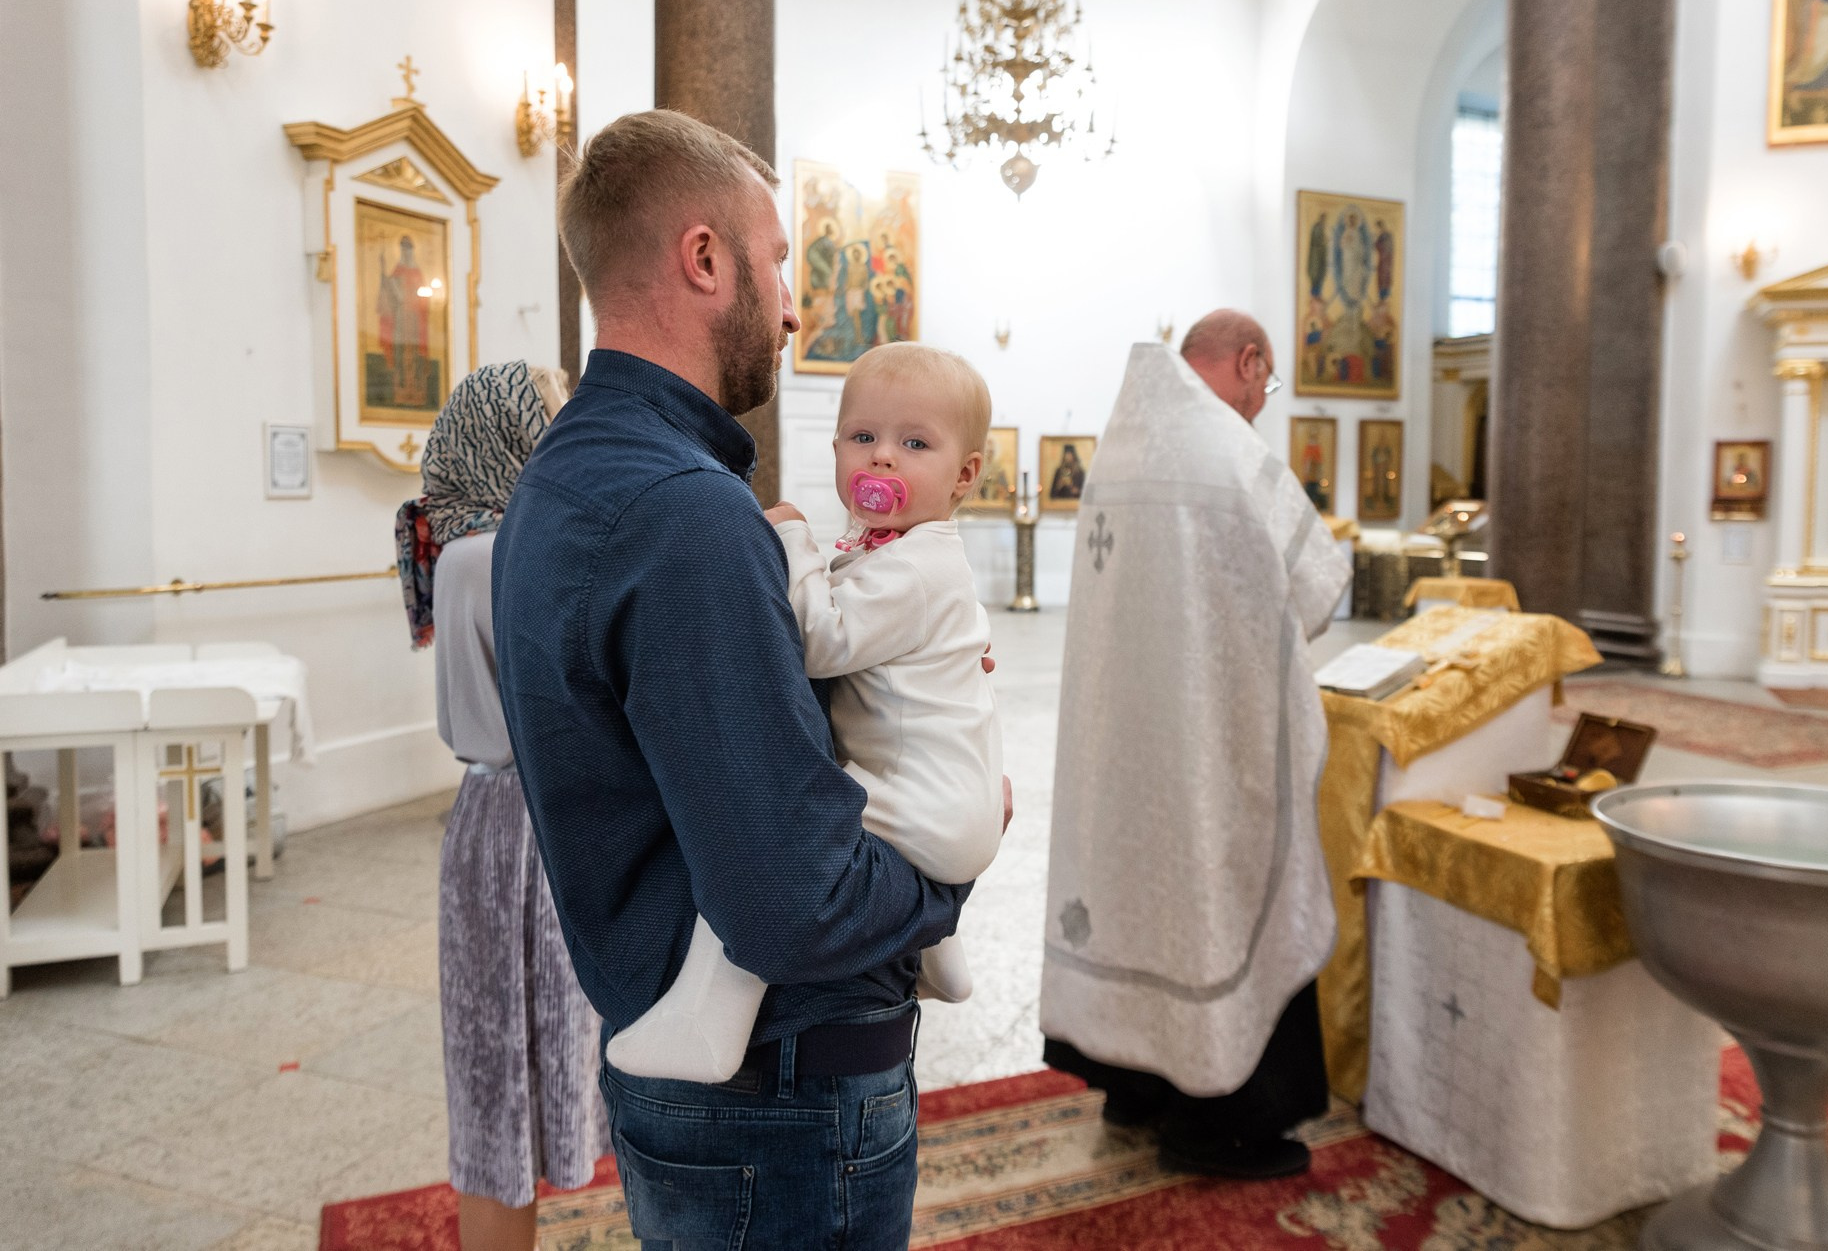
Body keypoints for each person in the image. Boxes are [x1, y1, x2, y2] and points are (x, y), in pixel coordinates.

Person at [492, 109, 976, 1249]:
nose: (796, 303)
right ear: (703, 259)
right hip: (782, 1089)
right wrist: (951, 874)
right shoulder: (683, 511)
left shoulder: (567, 471)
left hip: (695, 1053)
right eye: (775, 262)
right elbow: (791, 902)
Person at [607, 341, 1006, 1081]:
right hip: (949, 799)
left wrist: (791, 534)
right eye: (864, 437)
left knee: (768, 841)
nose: (882, 458)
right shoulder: (896, 551)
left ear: (966, 474)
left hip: (930, 803)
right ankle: (941, 956)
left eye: (914, 443)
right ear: (836, 447)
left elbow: (823, 638)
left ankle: (707, 1026)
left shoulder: (919, 564)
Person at [1040, 308, 1353, 1180]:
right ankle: (1218, 1123)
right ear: (1250, 362)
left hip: (1124, 745)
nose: (1263, 400)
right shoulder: (1231, 452)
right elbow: (1324, 584)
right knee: (1215, 900)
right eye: (1269, 381)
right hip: (1204, 742)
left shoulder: (1121, 447)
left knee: (1134, 890)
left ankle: (1135, 1090)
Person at [394, 359, 605, 1251]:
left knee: (506, 1067)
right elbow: (557, 703)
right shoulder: (497, 551)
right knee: (504, 1072)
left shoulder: (466, 544)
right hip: (528, 824)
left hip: (494, 817)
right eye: (551, 422)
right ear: (511, 435)